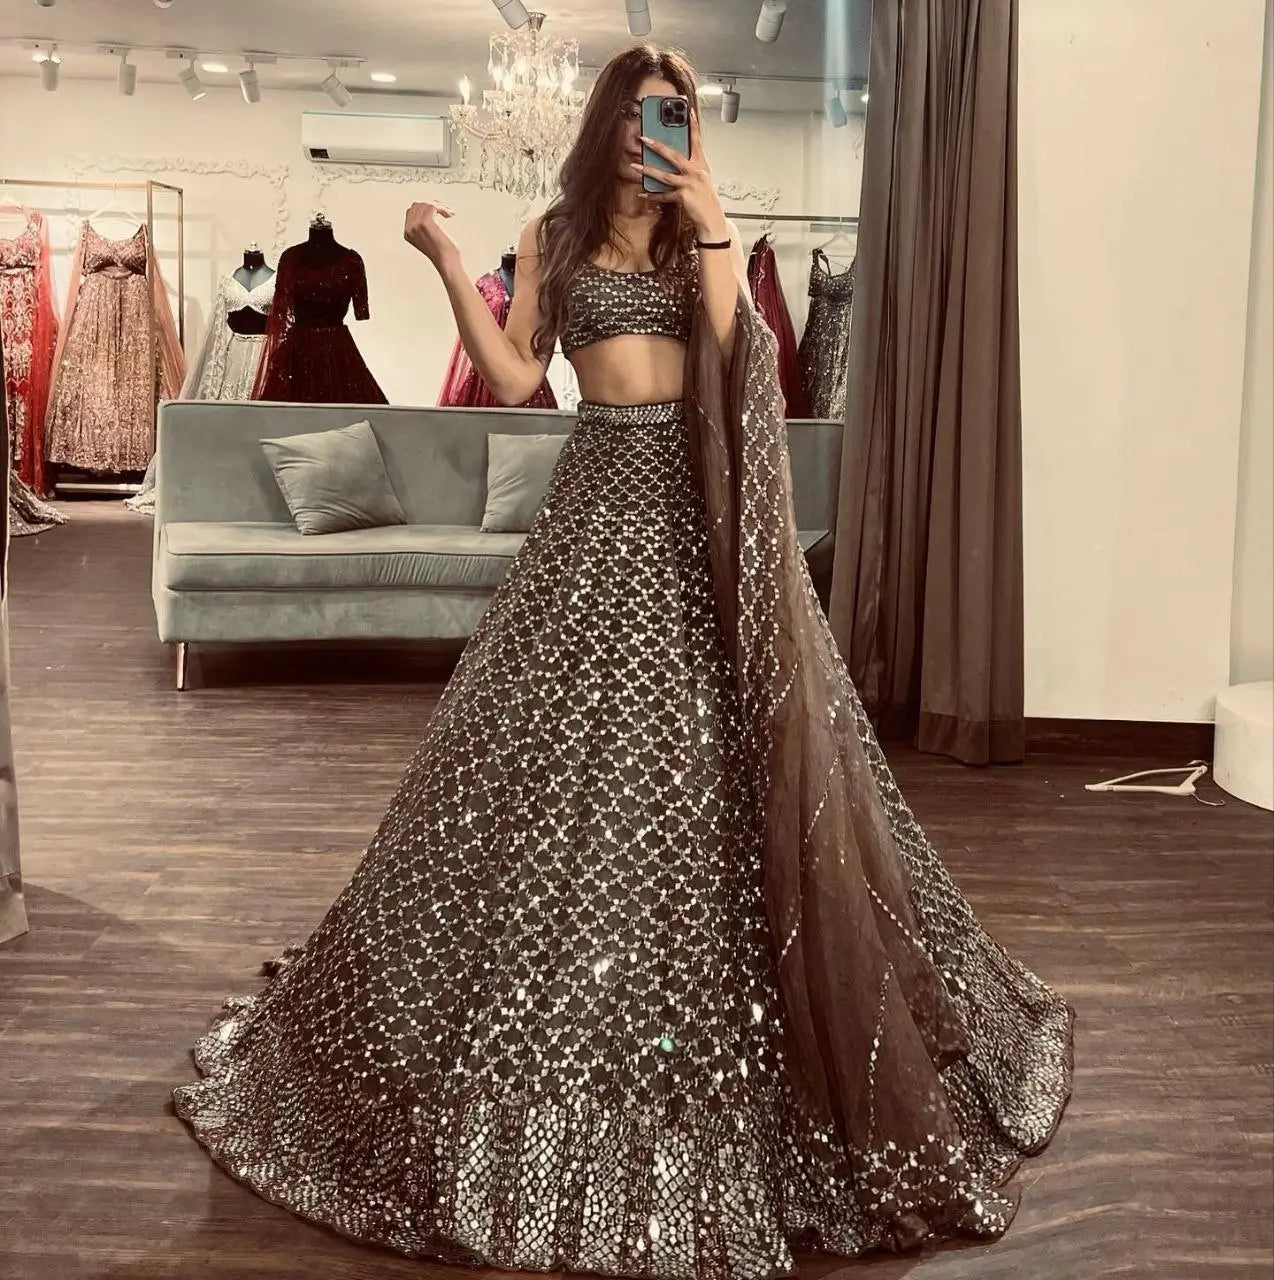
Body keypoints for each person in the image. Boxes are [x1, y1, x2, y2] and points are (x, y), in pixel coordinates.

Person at [174, 44, 1074, 1280]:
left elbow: (740, 362)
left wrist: (711, 223)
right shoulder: (553, 234)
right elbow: (513, 378)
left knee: (698, 753)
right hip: (593, 502)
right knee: (537, 767)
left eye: (683, 115)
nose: (668, 132)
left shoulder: (699, 233)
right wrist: (442, 260)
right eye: (652, 114)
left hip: (694, 520)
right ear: (611, 122)